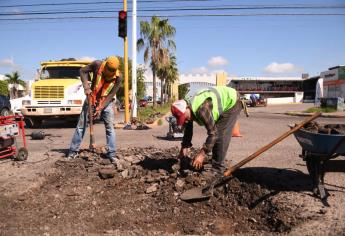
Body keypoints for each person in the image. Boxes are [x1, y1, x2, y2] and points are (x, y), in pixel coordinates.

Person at [171, 86, 242, 172]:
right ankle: (215, 162)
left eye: (184, 117)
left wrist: (202, 154)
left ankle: (218, 168)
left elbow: (213, 134)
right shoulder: (188, 110)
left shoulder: (202, 110)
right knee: (216, 131)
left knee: (220, 134)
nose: (185, 120)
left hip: (231, 102)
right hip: (220, 102)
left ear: (187, 108)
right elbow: (188, 130)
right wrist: (184, 147)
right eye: (182, 119)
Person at [66, 56, 122, 162]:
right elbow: (82, 71)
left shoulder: (119, 77)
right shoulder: (97, 65)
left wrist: (100, 108)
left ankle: (112, 153)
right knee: (81, 126)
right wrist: (86, 87)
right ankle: (73, 152)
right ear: (105, 67)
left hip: (107, 102)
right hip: (91, 97)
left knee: (110, 127)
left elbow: (111, 94)